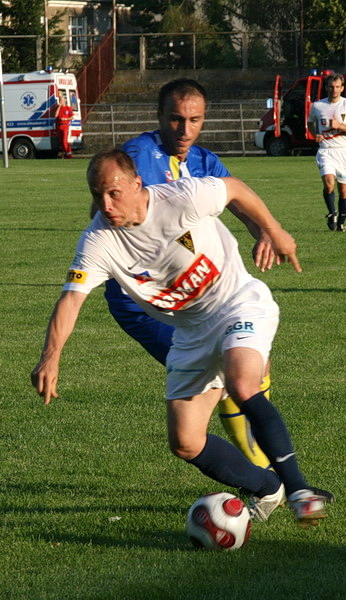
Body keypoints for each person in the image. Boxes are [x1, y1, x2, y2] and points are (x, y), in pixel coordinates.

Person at [31, 149, 333, 527]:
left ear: (137, 184)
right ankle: (268, 487)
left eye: (113, 193)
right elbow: (71, 299)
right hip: (191, 332)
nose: (105, 205)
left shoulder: (181, 198)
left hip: (237, 303)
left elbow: (235, 188)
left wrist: (273, 230)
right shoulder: (98, 241)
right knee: (186, 441)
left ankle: (300, 488)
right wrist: (51, 355)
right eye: (97, 195)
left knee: (242, 382)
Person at [113, 78, 277, 470]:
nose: (185, 130)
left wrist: (265, 232)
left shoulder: (204, 161)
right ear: (159, 117)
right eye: (175, 119)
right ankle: (266, 475)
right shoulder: (137, 158)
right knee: (225, 377)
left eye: (194, 120)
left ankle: (266, 472)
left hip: (198, 299)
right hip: (151, 303)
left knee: (252, 367)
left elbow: (238, 198)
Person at [307, 73, 346, 232]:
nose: (334, 90)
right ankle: (332, 213)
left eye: (337, 87)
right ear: (326, 88)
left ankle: (340, 223)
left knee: (344, 190)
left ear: (342, 88)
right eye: (331, 87)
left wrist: (341, 126)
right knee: (329, 183)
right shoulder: (317, 106)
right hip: (326, 150)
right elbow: (310, 123)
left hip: (344, 152)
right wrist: (315, 135)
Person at [55, 93, 74, 159]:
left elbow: (72, 117)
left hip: (65, 126)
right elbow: (55, 115)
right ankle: (66, 154)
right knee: (61, 142)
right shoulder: (58, 107)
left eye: (61, 100)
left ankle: (69, 153)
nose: (60, 101)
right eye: (59, 100)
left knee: (64, 140)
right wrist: (59, 106)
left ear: (64, 100)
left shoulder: (68, 108)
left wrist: (66, 119)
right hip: (59, 126)